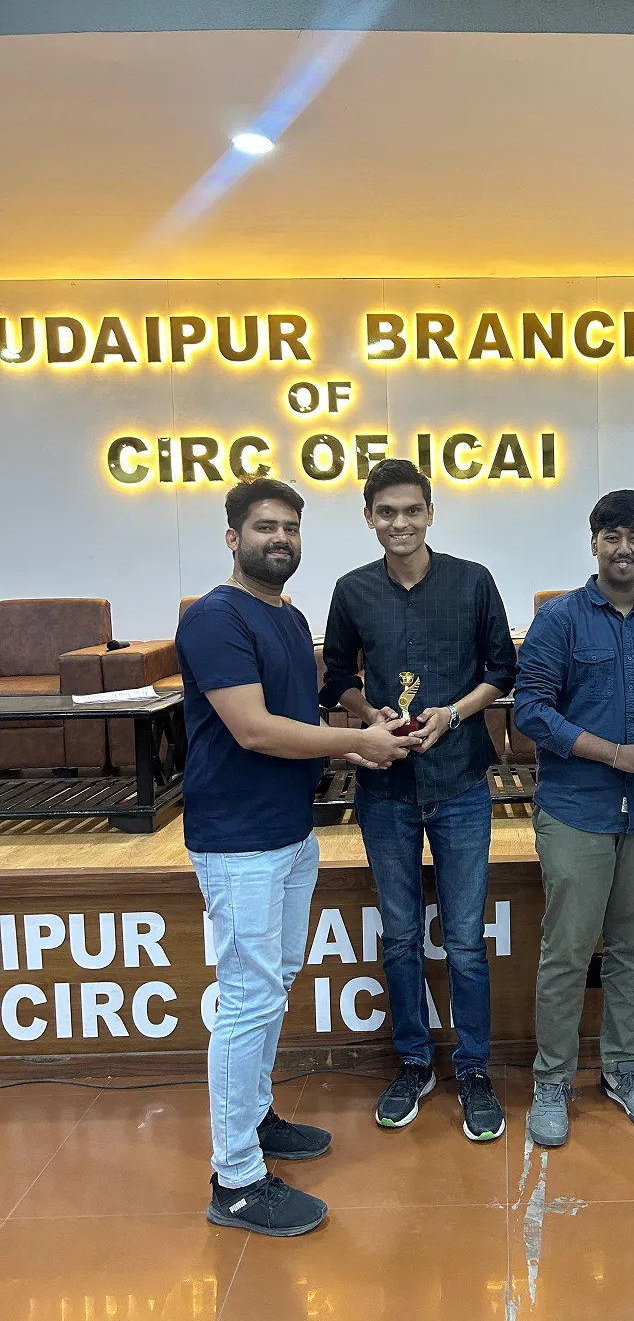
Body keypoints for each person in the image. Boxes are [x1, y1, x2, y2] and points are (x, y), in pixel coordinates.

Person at [176, 478, 413, 1237]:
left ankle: (255, 1117)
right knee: (247, 999)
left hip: (288, 832)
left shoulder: (287, 614)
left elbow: (297, 717)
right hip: (237, 839)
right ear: (232, 537)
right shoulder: (214, 617)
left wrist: (361, 736)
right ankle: (236, 1179)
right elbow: (252, 728)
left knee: (272, 985)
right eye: (265, 527)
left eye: (291, 528)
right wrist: (353, 740)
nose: (280, 539)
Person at [321, 459, 517, 1142]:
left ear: (430, 513)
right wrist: (368, 715)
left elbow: (502, 670)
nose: (399, 523)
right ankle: (413, 1062)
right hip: (385, 789)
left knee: (464, 940)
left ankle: (473, 1069)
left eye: (411, 510)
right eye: (386, 512)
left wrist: (454, 713)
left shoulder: (472, 580)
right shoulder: (352, 590)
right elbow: (336, 676)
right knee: (401, 935)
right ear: (369, 517)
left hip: (460, 782)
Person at [513, 489, 634, 1148]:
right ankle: (552, 1080)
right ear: (594, 542)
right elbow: (530, 710)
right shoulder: (559, 620)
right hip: (577, 811)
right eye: (612, 536)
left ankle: (622, 1070)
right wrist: (614, 752)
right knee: (566, 952)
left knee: (632, 949)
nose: (623, 548)